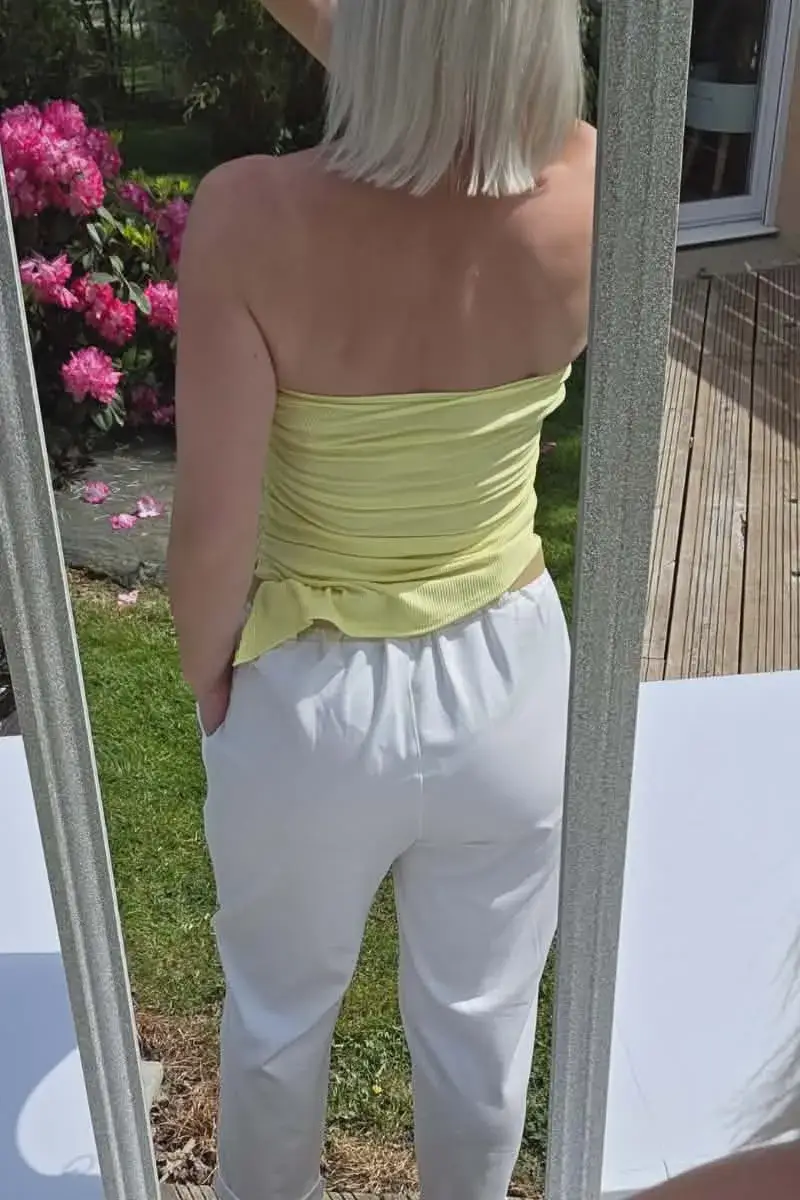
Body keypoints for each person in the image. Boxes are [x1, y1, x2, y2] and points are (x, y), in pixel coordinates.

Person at [167, 3, 594, 1199]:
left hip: (308, 692)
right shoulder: (588, 181)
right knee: (481, 1028)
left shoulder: (251, 215)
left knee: (276, 1019)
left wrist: (212, 682)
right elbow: (458, 57)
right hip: (511, 681)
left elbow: (212, 530)